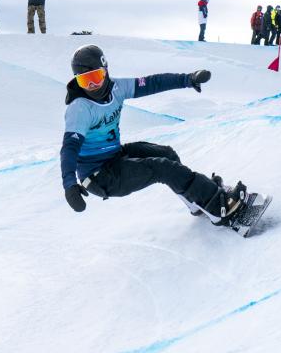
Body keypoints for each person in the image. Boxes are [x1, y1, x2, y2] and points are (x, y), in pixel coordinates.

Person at [60, 45, 249, 227]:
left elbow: (152, 83)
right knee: (163, 168)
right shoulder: (80, 109)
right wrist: (69, 184)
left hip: (114, 156)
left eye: (96, 77)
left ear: (106, 71)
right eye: (85, 81)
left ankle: (197, 202)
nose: (92, 86)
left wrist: (188, 79)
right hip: (99, 175)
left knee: (167, 154)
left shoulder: (117, 88)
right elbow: (69, 148)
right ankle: (219, 209)